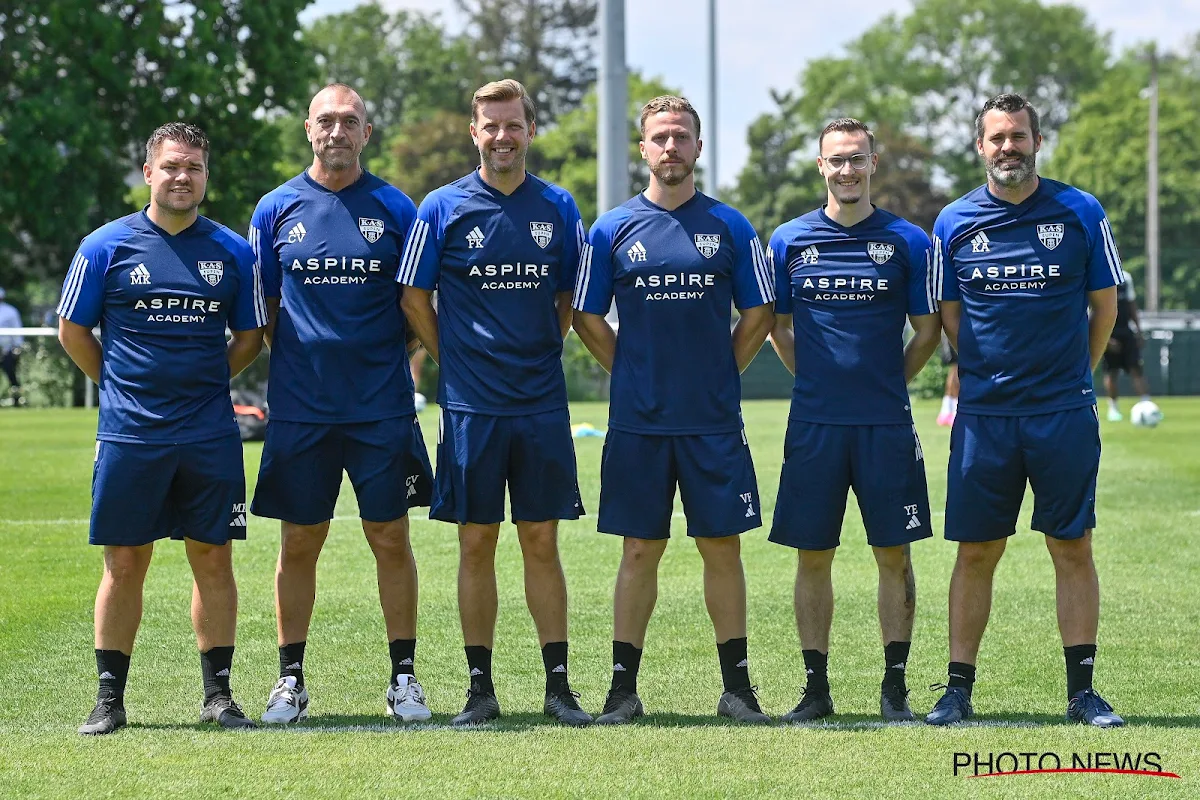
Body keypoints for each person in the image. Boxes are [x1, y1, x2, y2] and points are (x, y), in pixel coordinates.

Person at [573, 95, 776, 725]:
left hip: (712, 421)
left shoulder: (731, 226)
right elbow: (586, 317)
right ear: (643, 148)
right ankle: (621, 690)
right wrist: (631, 372)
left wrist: (717, 371)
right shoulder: (612, 229)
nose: (670, 148)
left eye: (681, 138)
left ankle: (737, 690)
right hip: (639, 423)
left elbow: (759, 314)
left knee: (722, 547)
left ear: (697, 147)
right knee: (639, 550)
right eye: (659, 138)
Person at [58, 122, 266, 735]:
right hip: (131, 435)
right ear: (148, 173)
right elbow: (74, 331)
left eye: (194, 168)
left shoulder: (234, 251)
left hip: (208, 434)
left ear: (206, 176)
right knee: (126, 560)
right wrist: (119, 387)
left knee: (214, 556)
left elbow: (250, 337)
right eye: (171, 166)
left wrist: (205, 387)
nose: (182, 177)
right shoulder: (104, 247)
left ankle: (219, 697)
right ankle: (109, 699)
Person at [927, 93, 1124, 727]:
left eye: (1018, 136)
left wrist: (1073, 376)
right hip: (985, 417)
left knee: (1071, 545)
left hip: (1062, 411)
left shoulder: (1080, 211)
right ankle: (957, 690)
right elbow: (951, 317)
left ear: (1037, 141)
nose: (1007, 147)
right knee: (977, 550)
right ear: (979, 147)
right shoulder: (953, 222)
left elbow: (1105, 307)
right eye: (996, 138)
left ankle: (1083, 692)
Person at [398, 79, 590, 726]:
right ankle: (479, 689)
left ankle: (558, 686)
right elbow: (413, 298)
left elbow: (569, 299)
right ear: (473, 133)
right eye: (491, 126)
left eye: (513, 124)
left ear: (529, 130)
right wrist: (454, 358)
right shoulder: (440, 208)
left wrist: (537, 351)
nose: (502, 136)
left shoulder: (560, 207)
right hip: (470, 407)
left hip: (539, 403)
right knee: (476, 542)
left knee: (541, 539)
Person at [249, 84, 434, 725]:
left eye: (348, 120)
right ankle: (289, 681)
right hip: (301, 409)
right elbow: (266, 312)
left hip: (380, 407)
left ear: (367, 131)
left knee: (390, 536)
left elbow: (415, 306)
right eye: (326, 120)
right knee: (300, 541)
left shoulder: (397, 208)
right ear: (308, 129)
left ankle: (404, 678)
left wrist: (380, 357)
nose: (336, 131)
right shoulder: (275, 209)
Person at [766, 118, 941, 723]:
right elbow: (779, 330)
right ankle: (816, 691)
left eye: (857, 159)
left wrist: (889, 378)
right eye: (836, 160)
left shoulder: (906, 242)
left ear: (873, 163)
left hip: (885, 424)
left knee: (894, 554)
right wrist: (816, 378)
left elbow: (928, 330)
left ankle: (895, 691)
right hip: (815, 424)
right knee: (812, 555)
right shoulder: (788, 240)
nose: (847, 170)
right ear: (821, 166)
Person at [1102, 268, 1154, 421]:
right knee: (1112, 372)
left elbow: (1132, 305)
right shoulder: (1099, 275)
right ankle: (1113, 409)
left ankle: (1147, 405)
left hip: (1126, 332)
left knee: (1136, 368)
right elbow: (1093, 309)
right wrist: (1106, 339)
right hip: (1109, 332)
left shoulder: (1126, 278)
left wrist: (1138, 330)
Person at [0, 288, 24, 405]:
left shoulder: (10, 311)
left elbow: (17, 329)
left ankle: (17, 399)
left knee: (11, 375)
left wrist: (17, 347)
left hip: (6, 349)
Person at [936, 334, 959, 426]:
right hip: (954, 335)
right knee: (956, 369)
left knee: (954, 370)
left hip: (950, 334)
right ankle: (952, 410)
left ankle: (947, 410)